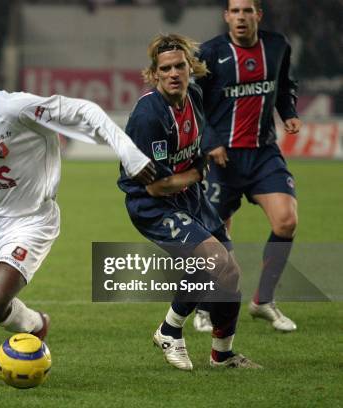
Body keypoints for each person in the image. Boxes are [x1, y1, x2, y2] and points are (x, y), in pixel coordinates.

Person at [0, 50, 156, 383]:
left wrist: (131, 156)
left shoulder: (15, 108)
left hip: (31, 220)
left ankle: (36, 325)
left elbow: (86, 111)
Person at [118, 34, 262, 370]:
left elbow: (197, 144)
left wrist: (200, 163)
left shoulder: (194, 95)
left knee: (229, 275)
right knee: (213, 260)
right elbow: (156, 187)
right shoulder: (148, 116)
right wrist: (198, 173)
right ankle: (169, 330)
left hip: (189, 197)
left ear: (189, 68)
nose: (173, 73)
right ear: (154, 74)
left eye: (179, 66)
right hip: (152, 204)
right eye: (165, 68)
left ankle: (222, 354)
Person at [193, 0, 301, 333]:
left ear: (258, 15)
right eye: (235, 11)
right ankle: (204, 306)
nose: (241, 17)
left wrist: (289, 112)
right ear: (226, 16)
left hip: (263, 153)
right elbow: (193, 102)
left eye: (247, 11)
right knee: (215, 237)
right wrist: (210, 142)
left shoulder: (277, 45)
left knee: (286, 222)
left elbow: (283, 86)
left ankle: (263, 301)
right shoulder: (210, 53)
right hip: (221, 158)